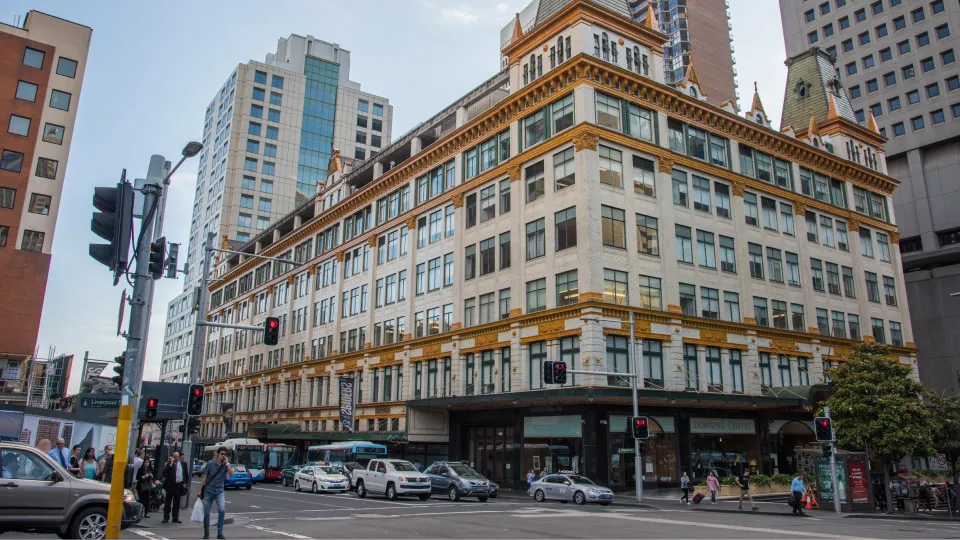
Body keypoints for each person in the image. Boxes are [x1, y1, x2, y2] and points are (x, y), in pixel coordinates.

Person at [198, 446, 233, 540]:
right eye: (222, 454)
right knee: (207, 513)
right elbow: (205, 477)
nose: (223, 456)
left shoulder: (226, 465)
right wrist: (200, 489)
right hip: (208, 491)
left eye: (225, 454)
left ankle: (220, 532)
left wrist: (227, 463)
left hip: (219, 491)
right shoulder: (210, 463)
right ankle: (206, 533)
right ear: (218, 454)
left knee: (222, 509)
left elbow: (231, 474)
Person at [161, 451, 188, 524]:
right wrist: (170, 464)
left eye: (177, 456)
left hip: (178, 485)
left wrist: (185, 482)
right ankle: (166, 517)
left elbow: (185, 474)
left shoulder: (183, 464)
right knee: (168, 502)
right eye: (175, 456)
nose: (176, 458)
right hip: (170, 485)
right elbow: (164, 472)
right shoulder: (169, 464)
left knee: (177, 503)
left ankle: (175, 517)